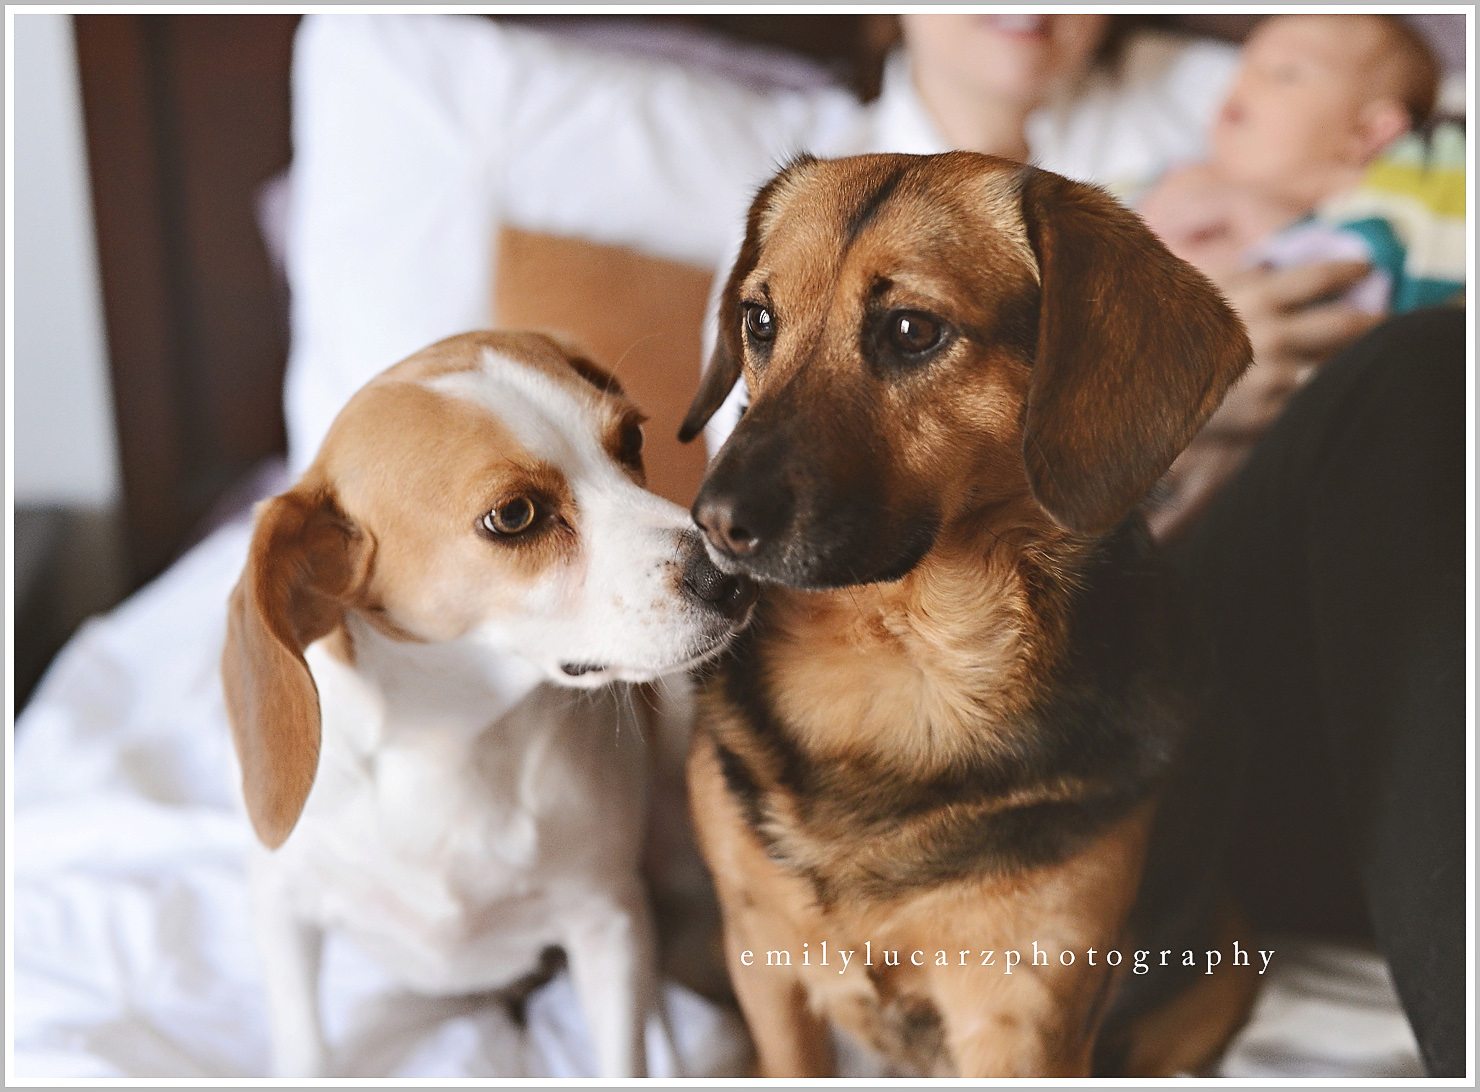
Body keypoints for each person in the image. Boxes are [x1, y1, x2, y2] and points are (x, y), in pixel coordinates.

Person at [284, 13, 1463, 1076]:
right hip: (958, 685)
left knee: (1418, 368)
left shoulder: (1204, 155)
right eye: (760, 326)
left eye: (908, 331)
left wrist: (1158, 399)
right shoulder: (803, 172)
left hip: (1154, 632)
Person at [1138, 13, 1447, 309]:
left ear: (1367, 132)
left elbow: (1361, 307)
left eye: (1285, 74)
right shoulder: (1168, 174)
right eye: (1244, 66)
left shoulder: (1366, 224)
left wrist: (1263, 221)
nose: (1247, 82)